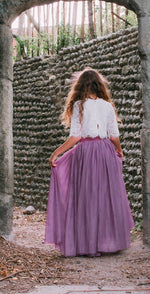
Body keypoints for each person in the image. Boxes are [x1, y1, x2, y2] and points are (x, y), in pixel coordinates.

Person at [45, 67, 134, 257]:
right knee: (106, 196)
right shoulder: (107, 106)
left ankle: (88, 244)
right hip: (105, 152)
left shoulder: (79, 106)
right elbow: (114, 135)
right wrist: (118, 150)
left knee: (86, 197)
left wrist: (56, 153)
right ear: (99, 85)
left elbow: (75, 137)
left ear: (81, 86)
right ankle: (108, 242)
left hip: (85, 154)